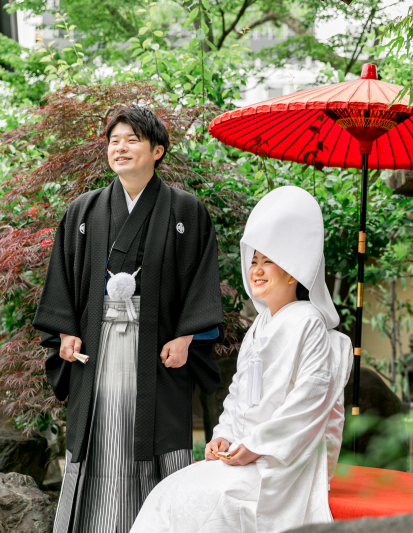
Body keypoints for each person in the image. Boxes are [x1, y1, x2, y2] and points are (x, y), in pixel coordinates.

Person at [32, 105, 225, 533]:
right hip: (97, 345)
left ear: (157, 151)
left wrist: (187, 338)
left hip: (158, 350)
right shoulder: (83, 211)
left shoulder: (186, 211)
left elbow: (202, 280)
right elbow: (62, 279)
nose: (119, 148)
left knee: (158, 436)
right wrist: (65, 332)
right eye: (113, 140)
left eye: (131, 140)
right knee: (100, 435)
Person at [131, 186, 353, 533]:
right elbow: (239, 394)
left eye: (268, 262)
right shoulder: (260, 325)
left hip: (283, 461)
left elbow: (310, 400)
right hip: (244, 451)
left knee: (217, 500)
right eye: (254, 261)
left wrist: (257, 446)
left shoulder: (308, 321)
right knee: (168, 492)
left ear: (293, 271)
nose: (257, 271)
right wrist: (224, 435)